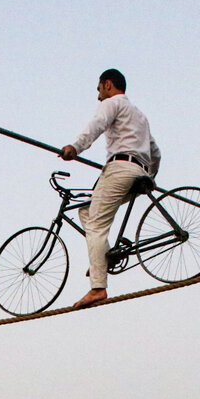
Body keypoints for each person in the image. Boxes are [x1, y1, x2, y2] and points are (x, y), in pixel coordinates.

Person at [58, 68, 161, 309]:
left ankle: (97, 288)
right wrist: (150, 177)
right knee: (86, 210)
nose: (98, 96)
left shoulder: (113, 103)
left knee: (95, 224)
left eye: (98, 90)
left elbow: (96, 125)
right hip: (139, 173)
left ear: (107, 84)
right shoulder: (140, 116)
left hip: (119, 169)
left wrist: (75, 148)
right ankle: (101, 259)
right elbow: (155, 151)